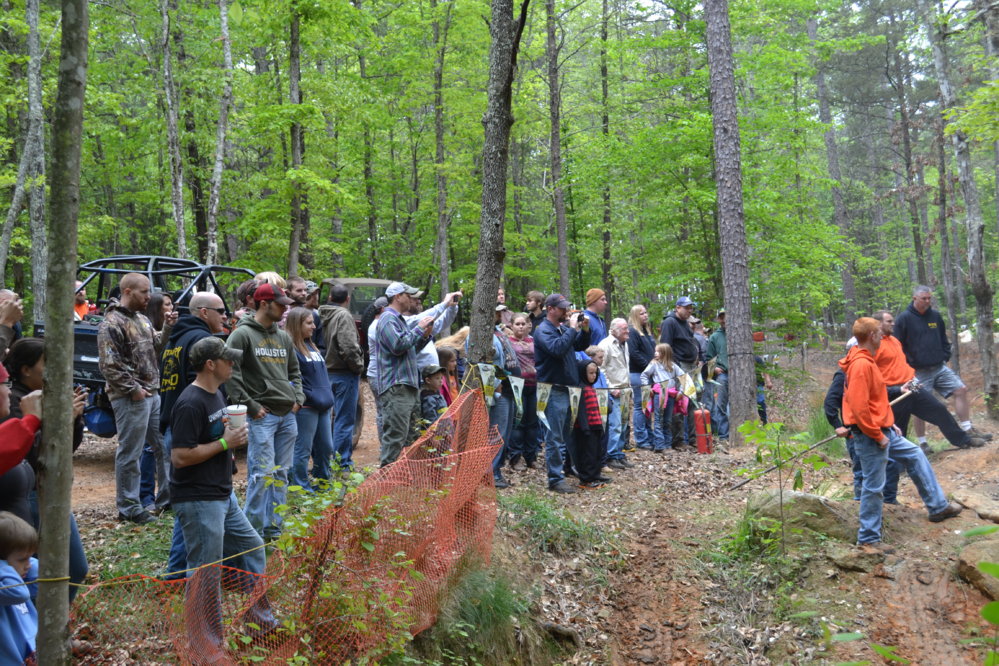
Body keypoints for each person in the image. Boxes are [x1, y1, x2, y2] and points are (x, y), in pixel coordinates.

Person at [169, 336, 277, 661]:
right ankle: (206, 644)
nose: (233, 364)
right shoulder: (190, 402)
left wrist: (229, 439)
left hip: (222, 494)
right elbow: (180, 457)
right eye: (228, 360)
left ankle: (261, 623)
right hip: (199, 499)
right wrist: (225, 444)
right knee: (206, 572)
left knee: (254, 547)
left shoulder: (218, 394)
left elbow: (217, 438)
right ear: (210, 364)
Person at [840, 317, 962, 552]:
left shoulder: (867, 360)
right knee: (874, 486)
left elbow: (875, 397)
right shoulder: (861, 365)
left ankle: (937, 507)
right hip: (870, 435)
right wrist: (877, 434)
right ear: (873, 336)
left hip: (884, 429)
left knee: (915, 453)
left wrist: (888, 422)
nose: (882, 335)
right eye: (878, 332)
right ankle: (868, 540)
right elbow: (858, 406)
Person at [2, 340, 88, 600]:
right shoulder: (17, 403)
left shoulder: (44, 399)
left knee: (74, 569)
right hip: (30, 500)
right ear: (26, 369)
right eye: (46, 363)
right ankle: (42, 633)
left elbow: (63, 452)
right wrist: (50, 420)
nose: (56, 370)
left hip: (47, 493)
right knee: (31, 577)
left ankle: (53, 630)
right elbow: (27, 454)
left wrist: (71, 421)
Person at [158, 291, 229, 579]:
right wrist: (221, 433)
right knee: (193, 503)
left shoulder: (175, 339)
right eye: (221, 310)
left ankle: (175, 574)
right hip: (190, 430)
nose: (225, 315)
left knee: (186, 509)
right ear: (203, 312)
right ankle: (182, 577)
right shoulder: (201, 343)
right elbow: (202, 387)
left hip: (172, 424)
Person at [225, 283, 304, 540]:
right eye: (280, 304)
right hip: (262, 416)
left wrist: (298, 399)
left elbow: (295, 371)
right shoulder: (242, 334)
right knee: (261, 475)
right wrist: (252, 406)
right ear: (263, 304)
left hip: (287, 416)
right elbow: (230, 373)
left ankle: (274, 529)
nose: (285, 309)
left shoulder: (283, 337)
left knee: (281, 474)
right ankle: (252, 533)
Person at [98, 273, 171, 524]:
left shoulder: (142, 319)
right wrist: (133, 390)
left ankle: (166, 500)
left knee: (163, 445)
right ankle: (129, 507)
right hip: (130, 397)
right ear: (127, 292)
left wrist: (168, 326)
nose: (149, 297)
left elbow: (156, 347)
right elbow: (109, 365)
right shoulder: (111, 322)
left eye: (149, 291)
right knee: (131, 451)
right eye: (144, 292)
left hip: (152, 393)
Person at [872, 310, 985, 450]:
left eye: (892, 320)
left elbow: (901, 363)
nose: (893, 323)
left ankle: (963, 440)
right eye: (889, 321)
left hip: (911, 384)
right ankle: (897, 464)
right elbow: (872, 373)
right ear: (878, 324)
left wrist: (913, 378)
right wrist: (889, 390)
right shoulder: (874, 345)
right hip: (895, 390)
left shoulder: (894, 340)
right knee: (899, 426)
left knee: (938, 410)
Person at [894, 286, 991, 441]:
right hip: (916, 372)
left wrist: (945, 355)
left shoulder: (935, 316)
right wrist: (908, 366)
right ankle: (923, 442)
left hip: (939, 367)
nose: (927, 301)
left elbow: (943, 339)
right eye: (924, 298)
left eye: (929, 298)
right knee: (917, 403)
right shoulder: (903, 319)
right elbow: (896, 346)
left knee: (961, 389)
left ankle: (967, 429)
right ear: (915, 298)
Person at [534, 293, 591, 494]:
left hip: (569, 388)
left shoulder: (562, 328)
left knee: (567, 435)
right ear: (550, 309)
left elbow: (580, 346)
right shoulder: (543, 330)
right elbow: (557, 349)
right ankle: (555, 479)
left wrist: (584, 329)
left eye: (567, 307)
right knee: (555, 437)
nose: (566, 311)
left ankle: (566, 471)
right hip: (552, 389)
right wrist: (573, 329)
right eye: (562, 308)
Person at [375, 282, 434, 466]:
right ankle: (385, 485)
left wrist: (424, 336)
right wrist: (419, 328)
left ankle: (404, 482)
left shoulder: (398, 320)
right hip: (396, 387)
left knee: (411, 437)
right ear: (398, 296)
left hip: (408, 386)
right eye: (409, 296)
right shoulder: (387, 319)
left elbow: (409, 350)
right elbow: (398, 346)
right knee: (395, 438)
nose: (413, 300)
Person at [287, 307, 335, 490]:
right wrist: (298, 399)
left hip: (324, 405)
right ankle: (300, 488)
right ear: (296, 325)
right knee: (302, 449)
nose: (314, 327)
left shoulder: (312, 346)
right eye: (309, 323)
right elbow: (289, 378)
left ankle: (323, 482)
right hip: (306, 407)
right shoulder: (291, 348)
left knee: (326, 447)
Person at [319, 285, 364, 470]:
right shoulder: (343, 315)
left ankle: (325, 461)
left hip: (324, 373)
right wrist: (358, 366)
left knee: (325, 419)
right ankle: (341, 462)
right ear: (347, 299)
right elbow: (348, 345)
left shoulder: (318, 314)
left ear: (330, 297)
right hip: (343, 373)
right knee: (344, 420)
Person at [141, 291, 177, 511]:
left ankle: (164, 497)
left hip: (164, 390)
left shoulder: (168, 331)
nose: (171, 307)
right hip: (149, 391)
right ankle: (145, 496)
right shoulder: (146, 331)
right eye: (166, 304)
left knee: (160, 445)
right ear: (156, 308)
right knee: (148, 447)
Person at [659, 296, 699, 447]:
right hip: (678, 366)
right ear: (677, 307)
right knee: (679, 402)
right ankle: (678, 440)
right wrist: (672, 367)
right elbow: (665, 346)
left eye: (691, 308)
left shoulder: (686, 324)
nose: (689, 310)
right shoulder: (670, 322)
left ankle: (693, 438)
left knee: (691, 402)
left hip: (690, 366)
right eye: (686, 307)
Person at [0, 511, 37, 665]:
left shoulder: (19, 577)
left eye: (30, 557)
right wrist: (4, 567)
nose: (28, 565)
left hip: (28, 655)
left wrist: (25, 560)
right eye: (23, 559)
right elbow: (19, 594)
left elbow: (41, 577)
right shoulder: (9, 586)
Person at [597, 318, 634, 471]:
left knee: (624, 424)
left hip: (625, 389)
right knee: (615, 425)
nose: (628, 331)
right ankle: (611, 455)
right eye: (624, 328)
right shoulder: (605, 345)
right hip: (614, 392)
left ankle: (619, 454)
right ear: (614, 330)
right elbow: (601, 369)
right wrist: (611, 389)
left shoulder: (623, 344)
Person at [506, 313, 540, 470]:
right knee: (518, 422)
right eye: (517, 324)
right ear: (511, 326)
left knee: (533, 423)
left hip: (535, 386)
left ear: (528, 326)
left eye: (523, 324)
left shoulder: (535, 341)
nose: (520, 326)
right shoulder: (507, 342)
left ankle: (531, 456)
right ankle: (515, 457)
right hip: (517, 386)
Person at [642, 343, 686, 453]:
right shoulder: (654, 364)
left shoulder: (673, 366)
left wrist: (681, 392)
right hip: (659, 395)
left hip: (670, 395)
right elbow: (644, 375)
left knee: (668, 420)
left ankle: (668, 444)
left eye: (658, 351)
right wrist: (648, 388)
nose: (655, 353)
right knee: (658, 419)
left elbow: (684, 378)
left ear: (665, 353)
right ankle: (660, 445)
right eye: (655, 351)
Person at [575, 360, 611, 489]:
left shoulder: (592, 388)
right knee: (587, 454)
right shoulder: (580, 389)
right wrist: (584, 427)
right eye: (590, 373)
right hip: (586, 429)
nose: (594, 376)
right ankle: (586, 479)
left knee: (597, 452)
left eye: (595, 373)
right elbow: (581, 411)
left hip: (596, 426)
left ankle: (595, 474)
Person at [627, 305, 656, 451]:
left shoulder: (647, 332)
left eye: (646, 312)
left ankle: (649, 436)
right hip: (638, 373)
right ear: (635, 316)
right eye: (642, 313)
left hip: (648, 374)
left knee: (648, 407)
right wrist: (648, 367)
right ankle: (641, 439)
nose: (645, 315)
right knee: (640, 406)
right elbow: (634, 353)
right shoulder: (632, 331)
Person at [705, 309, 729, 443]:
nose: (724, 319)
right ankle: (724, 436)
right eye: (721, 317)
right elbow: (709, 357)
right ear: (719, 319)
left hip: (740, 375)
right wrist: (715, 369)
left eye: (726, 316)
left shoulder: (739, 333)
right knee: (721, 406)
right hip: (723, 375)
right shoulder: (715, 337)